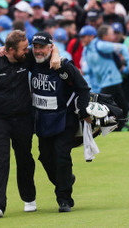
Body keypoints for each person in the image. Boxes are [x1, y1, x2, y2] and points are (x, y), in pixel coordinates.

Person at [0, 29, 59, 219]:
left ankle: (29, 198)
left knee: (25, 158)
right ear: (9, 50)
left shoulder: (26, 59)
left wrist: (56, 54)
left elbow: (49, 49)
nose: (28, 51)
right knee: (1, 160)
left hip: (23, 117)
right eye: (24, 48)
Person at [29, 31, 91, 212]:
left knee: (61, 156)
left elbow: (83, 88)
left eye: (42, 47)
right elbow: (15, 53)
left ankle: (64, 199)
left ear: (51, 47)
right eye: (36, 47)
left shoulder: (64, 65)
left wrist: (84, 110)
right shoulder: (32, 61)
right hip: (42, 120)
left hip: (65, 119)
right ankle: (64, 181)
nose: (38, 51)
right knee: (45, 157)